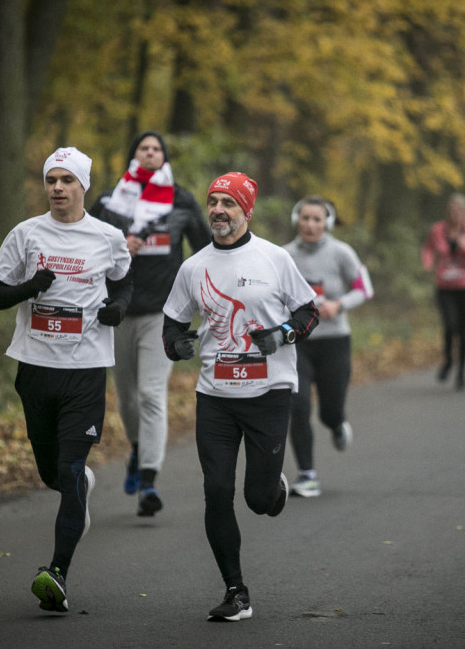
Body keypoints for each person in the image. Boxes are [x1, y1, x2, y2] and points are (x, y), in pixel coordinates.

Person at [162, 172, 319, 621]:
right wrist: (177, 345)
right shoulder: (193, 267)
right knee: (216, 490)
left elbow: (309, 312)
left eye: (228, 203)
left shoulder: (274, 258)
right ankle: (236, 592)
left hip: (268, 393)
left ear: (246, 211)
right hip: (215, 396)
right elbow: (172, 325)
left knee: (256, 499)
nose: (217, 210)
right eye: (212, 201)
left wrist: (284, 333)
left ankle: (273, 490)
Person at [0, 146, 133, 613]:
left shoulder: (108, 237)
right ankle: (77, 485)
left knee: (69, 472)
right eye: (51, 180)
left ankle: (57, 574)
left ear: (83, 186)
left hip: (85, 371)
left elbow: (127, 280)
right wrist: (31, 287)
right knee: (52, 473)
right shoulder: (26, 234)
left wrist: (120, 307)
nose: (57, 188)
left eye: (67, 180)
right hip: (34, 368)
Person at [89, 131, 209, 517]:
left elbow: (205, 250)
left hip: (163, 310)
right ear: (133, 155)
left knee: (150, 394)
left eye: (157, 149)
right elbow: (82, 243)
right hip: (118, 309)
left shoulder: (181, 200)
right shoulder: (109, 201)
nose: (151, 153)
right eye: (144, 148)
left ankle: (149, 482)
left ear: (165, 157)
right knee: (126, 398)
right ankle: (139, 450)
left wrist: (205, 299)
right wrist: (117, 245)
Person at [283, 195, 373, 498]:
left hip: (334, 342)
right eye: (305, 218)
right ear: (297, 220)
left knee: (329, 411)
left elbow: (364, 289)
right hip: (299, 343)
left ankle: (336, 424)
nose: (310, 225)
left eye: (317, 219)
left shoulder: (341, 253)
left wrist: (339, 305)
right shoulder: (283, 255)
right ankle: (307, 474)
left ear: (328, 223)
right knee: (298, 405)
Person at [421, 193, 465, 390]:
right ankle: (448, 362)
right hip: (444, 287)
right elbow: (427, 248)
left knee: (463, 329)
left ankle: (461, 371)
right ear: (447, 212)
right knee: (449, 326)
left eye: (459, 211)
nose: (455, 215)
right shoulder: (437, 229)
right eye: (451, 211)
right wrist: (427, 262)